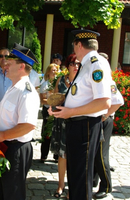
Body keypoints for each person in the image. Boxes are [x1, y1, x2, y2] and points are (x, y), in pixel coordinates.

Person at [48, 29, 112, 200]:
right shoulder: (87, 64)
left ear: (78, 44)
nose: (73, 51)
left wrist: (71, 111)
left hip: (86, 126)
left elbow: (104, 102)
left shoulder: (96, 64)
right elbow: (81, 96)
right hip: (77, 124)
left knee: (81, 177)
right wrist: (60, 106)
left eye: (74, 46)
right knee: (76, 175)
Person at [0, 43, 40, 200]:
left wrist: (3, 135)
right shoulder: (13, 87)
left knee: (13, 193)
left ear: (21, 67)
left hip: (16, 148)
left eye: (10, 63)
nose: (5, 65)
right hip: (6, 145)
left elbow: (28, 125)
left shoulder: (27, 91)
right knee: (5, 190)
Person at [93, 52, 124, 199]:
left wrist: (104, 116)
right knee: (93, 153)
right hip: (95, 120)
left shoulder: (109, 82)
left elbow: (118, 102)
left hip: (104, 121)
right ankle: (93, 180)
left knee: (100, 155)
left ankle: (106, 187)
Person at [50, 53, 79, 198]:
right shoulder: (61, 80)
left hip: (76, 123)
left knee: (73, 157)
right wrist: (51, 108)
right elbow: (54, 98)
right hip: (61, 122)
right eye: (73, 64)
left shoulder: (82, 82)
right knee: (62, 156)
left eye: (78, 64)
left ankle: (72, 189)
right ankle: (60, 186)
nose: (75, 67)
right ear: (67, 66)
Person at [39, 63, 58, 163]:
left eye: (56, 70)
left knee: (57, 133)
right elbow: (42, 100)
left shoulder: (59, 84)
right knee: (47, 133)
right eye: (53, 70)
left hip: (57, 110)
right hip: (47, 110)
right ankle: (44, 155)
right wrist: (53, 101)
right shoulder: (44, 85)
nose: (55, 72)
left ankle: (56, 156)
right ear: (48, 72)